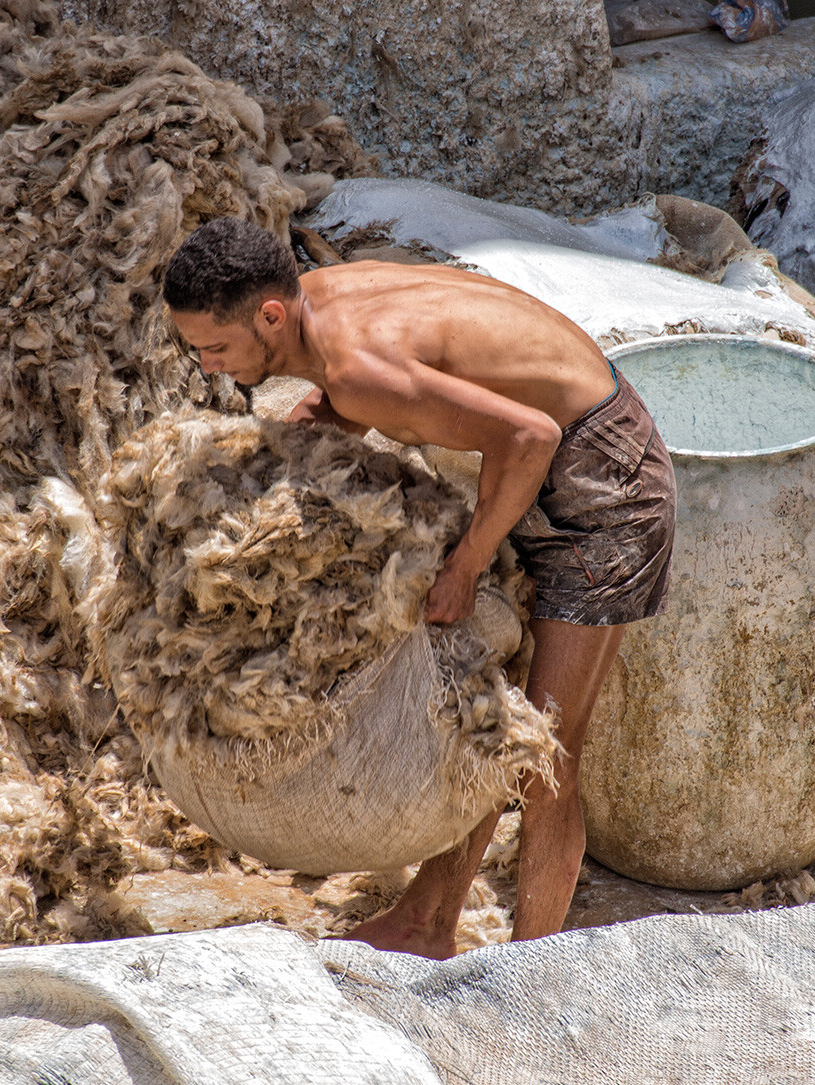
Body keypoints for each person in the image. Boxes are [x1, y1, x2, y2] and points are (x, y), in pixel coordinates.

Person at [162, 216, 676, 957]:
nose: (209, 367)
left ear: (270, 316)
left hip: (605, 485)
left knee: (545, 759)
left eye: (215, 348)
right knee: (486, 720)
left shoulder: (355, 366)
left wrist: (466, 567)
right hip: (544, 464)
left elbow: (530, 436)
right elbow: (352, 401)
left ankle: (531, 981)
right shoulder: (319, 298)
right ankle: (428, 921)